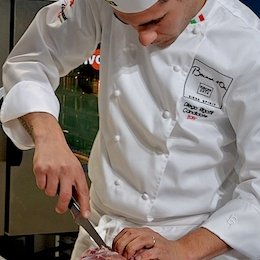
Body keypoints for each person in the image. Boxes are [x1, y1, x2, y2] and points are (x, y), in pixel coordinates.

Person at [1, 0, 260, 258]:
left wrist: (183, 249)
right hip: (104, 235)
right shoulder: (99, 4)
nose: (144, 39)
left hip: (201, 240)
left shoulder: (247, 44)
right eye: (126, 23)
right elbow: (31, 60)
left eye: (154, 21)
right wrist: (48, 137)